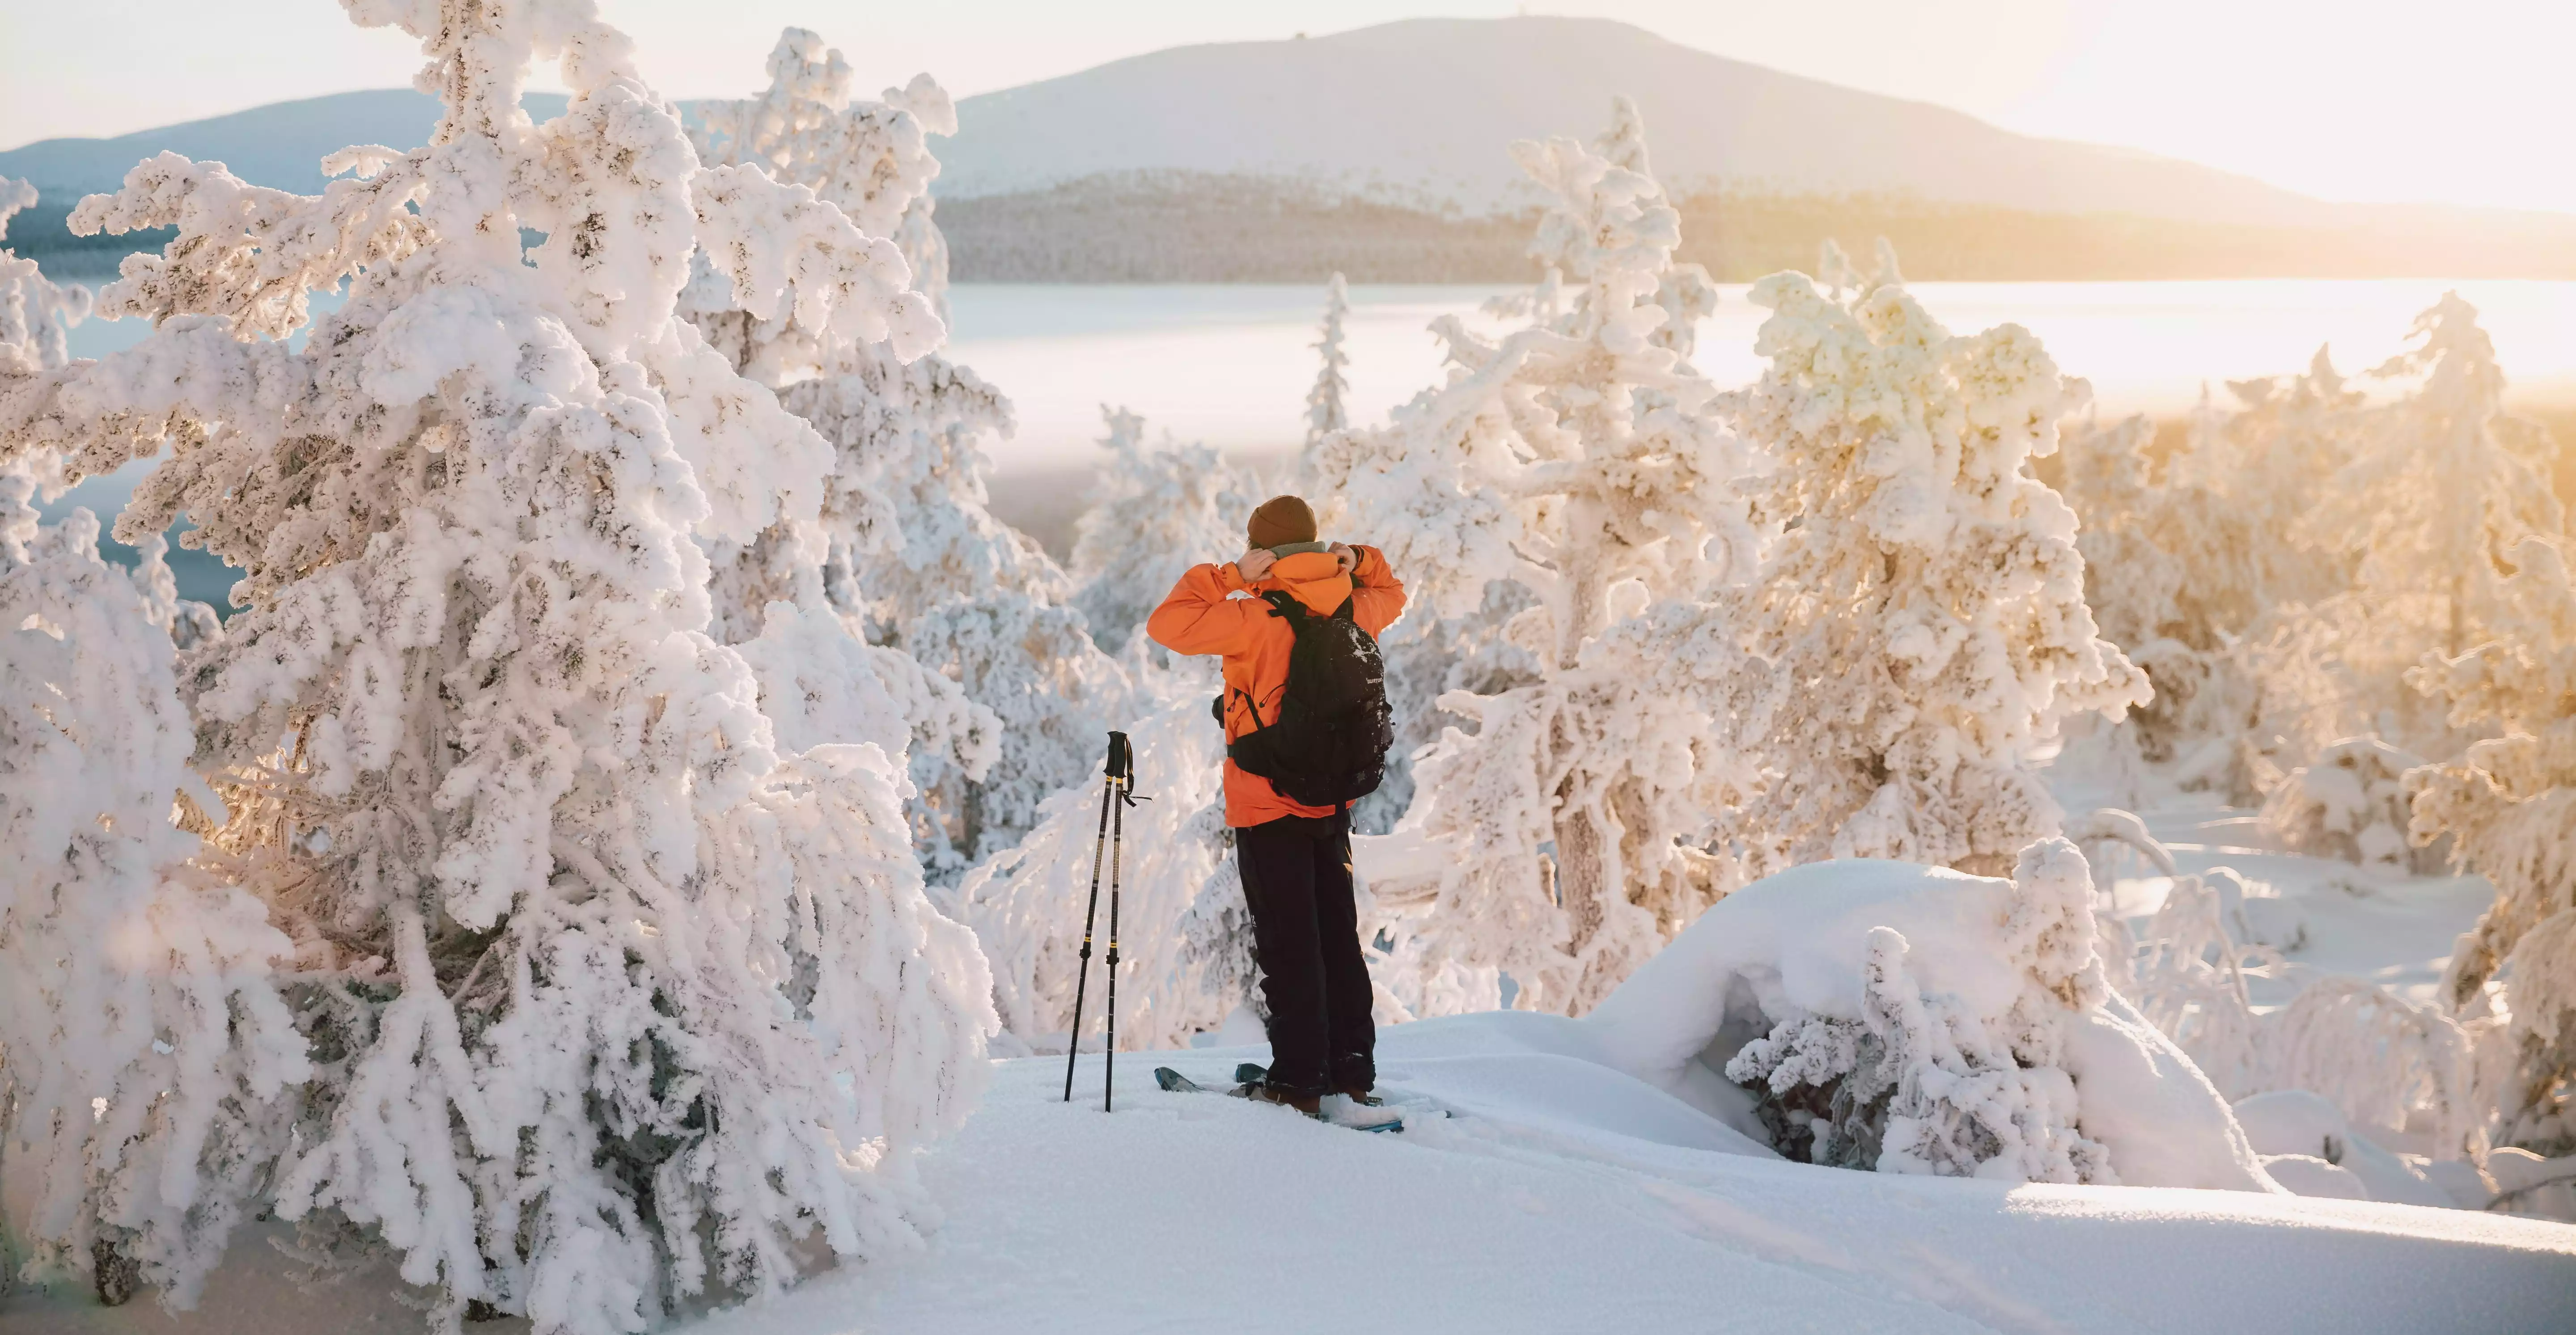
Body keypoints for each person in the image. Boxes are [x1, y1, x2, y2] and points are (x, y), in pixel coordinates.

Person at [1146, 494, 1407, 1118]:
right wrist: (1359, 558)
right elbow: (1394, 591)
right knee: (1337, 939)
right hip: (1332, 799)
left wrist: (1234, 574)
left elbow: (1167, 623)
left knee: (1289, 943)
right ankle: (1351, 1073)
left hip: (1267, 802)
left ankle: (1297, 1082)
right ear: (1315, 544)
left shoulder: (1251, 616)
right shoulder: (1353, 604)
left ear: (1266, 549)